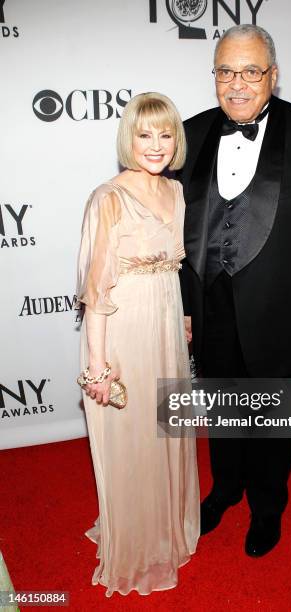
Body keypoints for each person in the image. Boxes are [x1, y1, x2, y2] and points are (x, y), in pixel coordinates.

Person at [178, 25, 291, 557]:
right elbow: (180, 233)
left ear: (272, 76)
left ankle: (267, 506)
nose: (236, 83)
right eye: (225, 71)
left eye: (250, 71)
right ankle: (225, 489)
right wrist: (186, 308)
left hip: (282, 313)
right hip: (211, 308)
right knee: (224, 411)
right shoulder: (190, 134)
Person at [75, 92, 199, 596]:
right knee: (133, 441)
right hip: (125, 332)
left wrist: (183, 318)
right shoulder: (108, 197)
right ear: (129, 138)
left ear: (176, 140)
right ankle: (138, 545)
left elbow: (177, 269)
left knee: (165, 432)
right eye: (144, 134)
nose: (156, 145)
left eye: (165, 134)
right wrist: (98, 368)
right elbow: (95, 294)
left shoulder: (176, 192)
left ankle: (167, 531)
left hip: (166, 329)